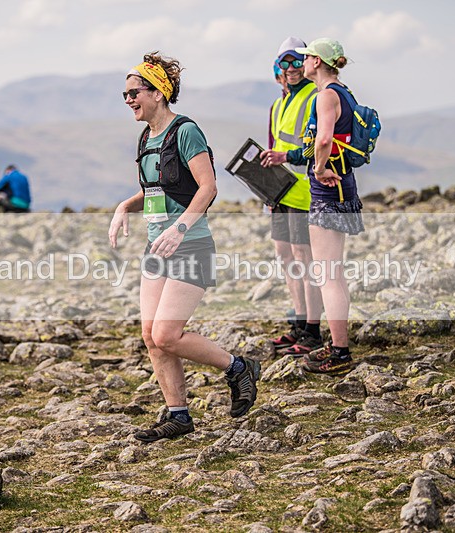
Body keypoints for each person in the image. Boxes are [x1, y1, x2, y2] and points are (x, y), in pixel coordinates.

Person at [109, 52, 260, 443]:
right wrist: (125, 206)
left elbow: (207, 188)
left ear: (158, 93)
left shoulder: (186, 131)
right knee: (150, 335)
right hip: (156, 247)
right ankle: (178, 415)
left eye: (134, 92)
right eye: (124, 94)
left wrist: (179, 228)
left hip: (190, 244)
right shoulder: (146, 138)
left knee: (167, 334)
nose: (128, 99)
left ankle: (238, 368)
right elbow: (157, 191)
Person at [295, 37, 364, 376]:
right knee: (333, 273)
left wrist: (319, 168)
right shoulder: (345, 93)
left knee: (328, 274)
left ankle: (339, 352)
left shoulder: (325, 95)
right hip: (345, 186)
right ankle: (338, 345)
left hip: (327, 191)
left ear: (318, 62)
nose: (303, 62)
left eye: (307, 57)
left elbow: (323, 138)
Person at [259, 37, 324, 356]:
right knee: (285, 256)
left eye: (297, 61)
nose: (291, 68)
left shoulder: (315, 96)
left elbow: (318, 144)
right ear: (278, 68)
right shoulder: (279, 104)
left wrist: (286, 158)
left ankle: (313, 330)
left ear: (307, 63)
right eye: (285, 62)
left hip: (305, 193)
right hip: (280, 193)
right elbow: (274, 147)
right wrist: (266, 189)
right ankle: (299, 323)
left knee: (304, 259)